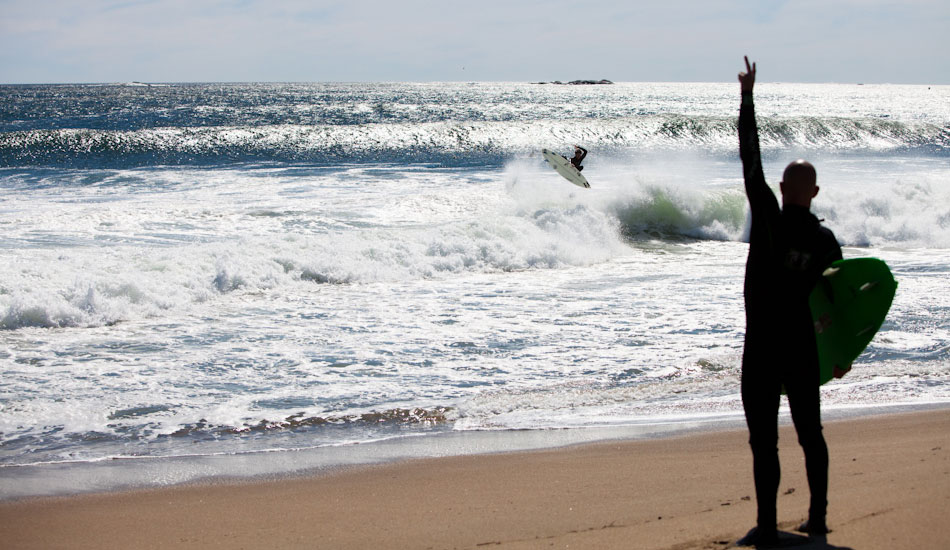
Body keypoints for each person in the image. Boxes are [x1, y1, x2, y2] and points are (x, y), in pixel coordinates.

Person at [735, 56, 843, 547]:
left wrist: (748, 96)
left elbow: (749, 154)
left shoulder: (767, 215)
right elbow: (837, 302)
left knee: (765, 440)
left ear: (780, 189)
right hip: (801, 345)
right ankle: (818, 521)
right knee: (810, 434)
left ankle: (767, 524)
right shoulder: (827, 243)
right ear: (815, 192)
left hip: (761, 344)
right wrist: (840, 355)